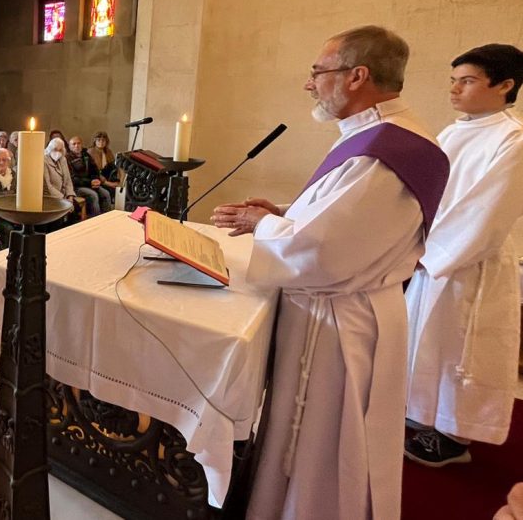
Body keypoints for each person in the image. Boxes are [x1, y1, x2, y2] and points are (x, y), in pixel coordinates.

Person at [209, 26, 449, 520]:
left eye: (318, 71)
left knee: (325, 444)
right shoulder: (373, 136)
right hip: (338, 310)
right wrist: (282, 211)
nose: (309, 83)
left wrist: (265, 224)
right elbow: (343, 222)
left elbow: (325, 251)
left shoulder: (391, 151)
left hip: (342, 325)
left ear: (357, 76)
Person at [403, 44, 523, 466]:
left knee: (458, 350)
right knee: (423, 341)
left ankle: (452, 437)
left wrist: (428, 253)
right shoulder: (455, 132)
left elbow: (487, 211)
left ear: (505, 85)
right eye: (453, 81)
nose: (454, 90)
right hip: (429, 254)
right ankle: (419, 418)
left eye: (467, 81)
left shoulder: (513, 139)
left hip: (470, 261)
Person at [67, 135, 112, 216]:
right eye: (74, 144)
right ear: (69, 146)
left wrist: (96, 179)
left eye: (78, 143)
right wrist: (90, 182)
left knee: (106, 193)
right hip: (77, 187)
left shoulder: (86, 155)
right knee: (93, 195)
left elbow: (94, 170)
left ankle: (106, 218)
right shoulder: (67, 158)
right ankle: (95, 219)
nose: (77, 146)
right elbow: (72, 179)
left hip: (90, 184)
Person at [43, 137, 77, 206]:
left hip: (64, 195)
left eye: (60, 150)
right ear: (50, 149)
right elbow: (48, 186)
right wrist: (63, 199)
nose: (58, 152)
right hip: (52, 196)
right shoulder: (44, 161)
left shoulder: (63, 159)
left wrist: (70, 196)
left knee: (75, 208)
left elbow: (68, 181)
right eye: (55, 149)